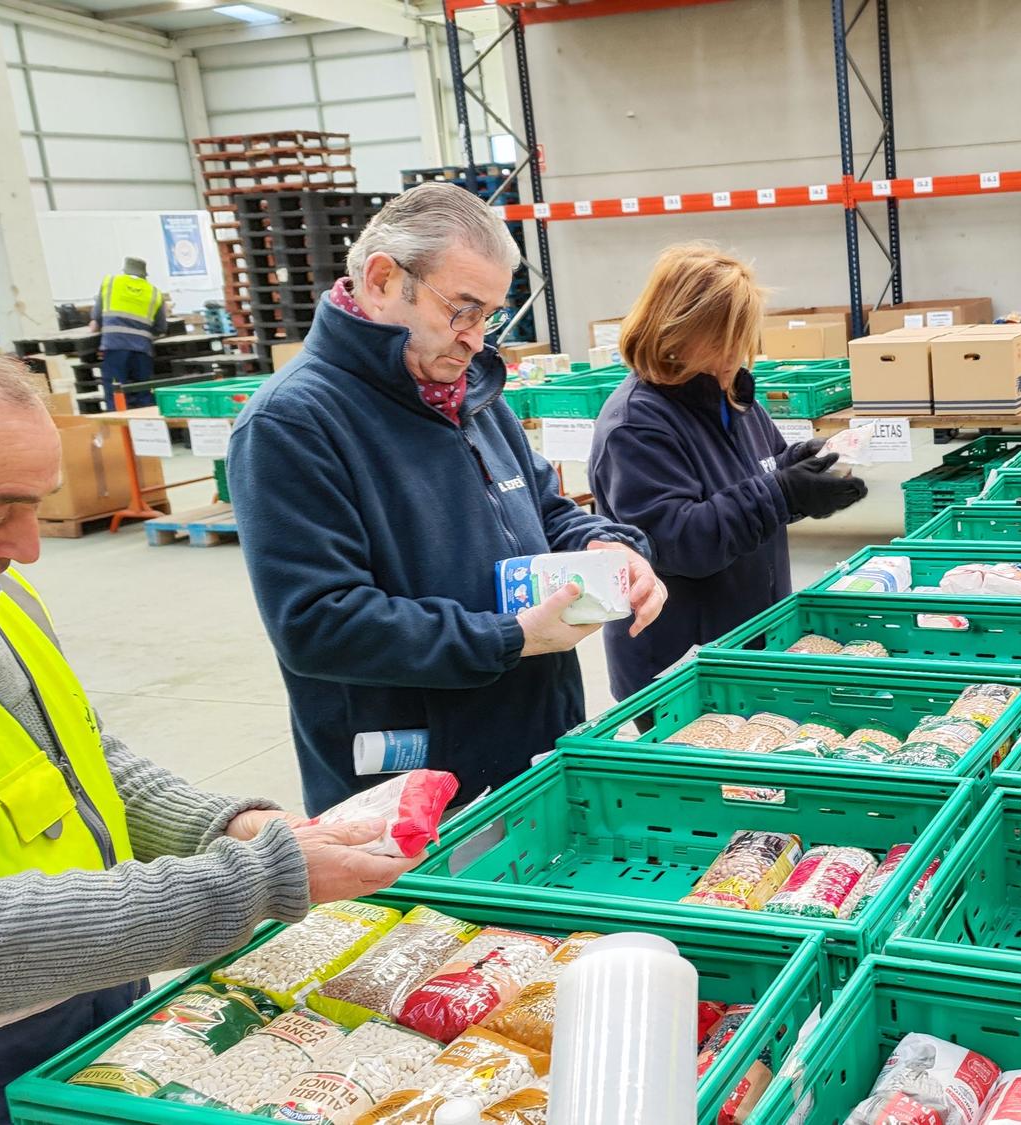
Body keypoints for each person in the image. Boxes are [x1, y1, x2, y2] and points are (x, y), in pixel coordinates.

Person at [0, 318, 418, 1124]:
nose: (27, 547)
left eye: (35, 507)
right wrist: (257, 880)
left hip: (86, 1026)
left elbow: (82, 761)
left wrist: (235, 824)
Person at [228, 183, 666, 814]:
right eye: (461, 309)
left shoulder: (468, 393)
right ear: (382, 280)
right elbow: (319, 624)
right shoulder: (293, 424)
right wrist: (509, 638)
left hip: (533, 746)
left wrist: (609, 546)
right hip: (414, 785)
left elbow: (545, 509)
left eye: (487, 315)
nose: (476, 338)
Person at [589, 243, 866, 701]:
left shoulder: (731, 395)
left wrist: (803, 465)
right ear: (679, 331)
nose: (736, 352)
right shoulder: (635, 425)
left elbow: (760, 472)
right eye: (722, 339)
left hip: (749, 637)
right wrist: (783, 493)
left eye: (741, 337)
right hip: (681, 664)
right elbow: (679, 541)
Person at [88, 257, 168, 406]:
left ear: (125, 270)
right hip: (142, 350)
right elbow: (161, 328)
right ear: (144, 274)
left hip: (115, 346)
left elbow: (97, 317)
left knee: (116, 392)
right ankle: (148, 426)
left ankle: (120, 428)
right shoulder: (155, 293)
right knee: (143, 392)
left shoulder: (110, 282)